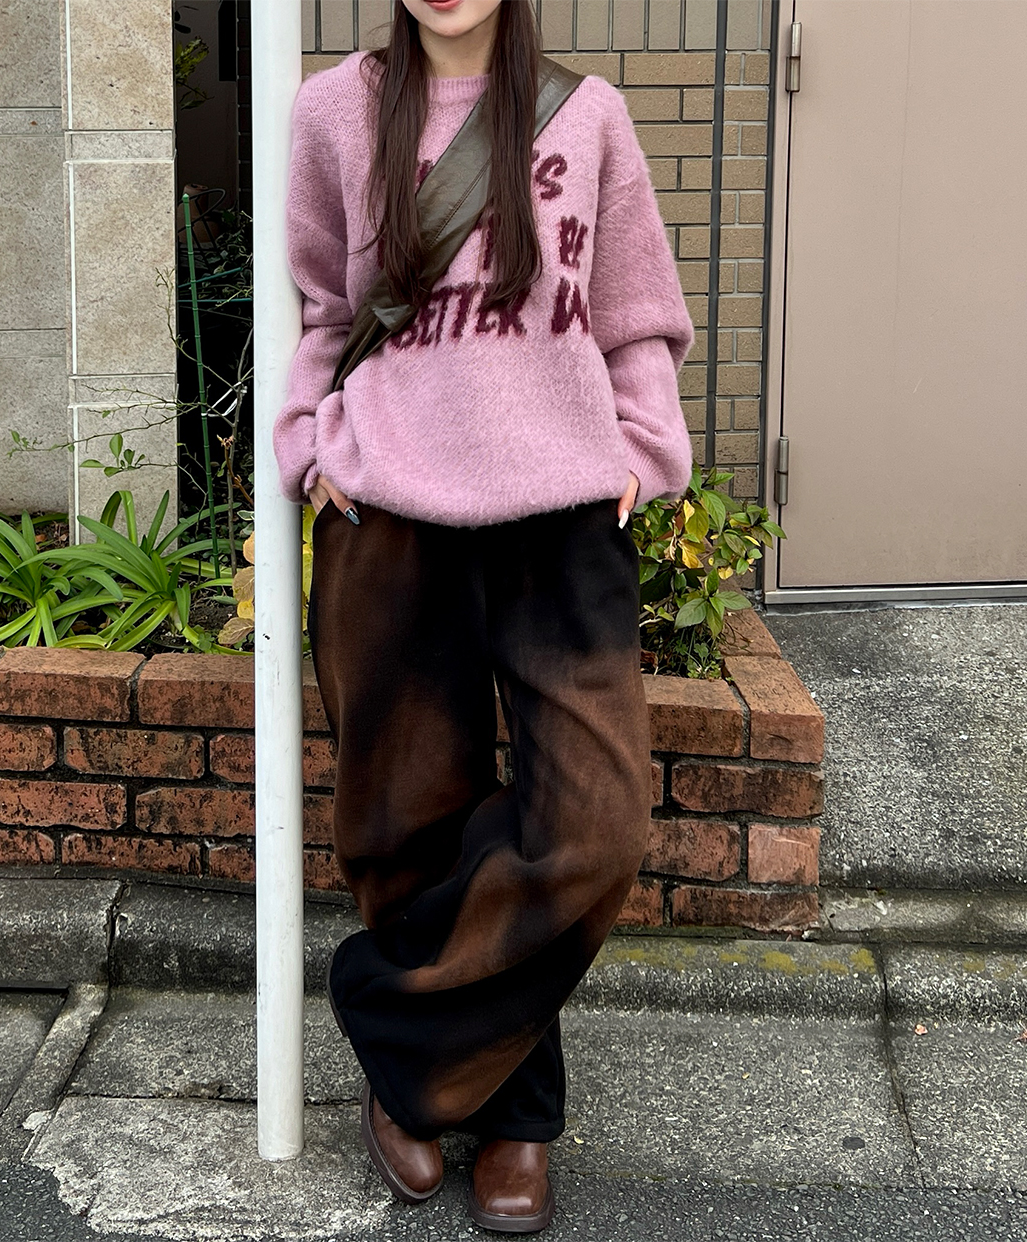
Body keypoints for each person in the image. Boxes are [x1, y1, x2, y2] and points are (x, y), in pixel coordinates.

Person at [274, 0, 694, 1231]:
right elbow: (321, 306)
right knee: (403, 823)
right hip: (389, 504)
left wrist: (642, 443)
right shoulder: (333, 112)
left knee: (596, 823)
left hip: (561, 511)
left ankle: (399, 1047)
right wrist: (307, 442)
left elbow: (634, 307)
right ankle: (515, 1117)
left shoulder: (590, 115)